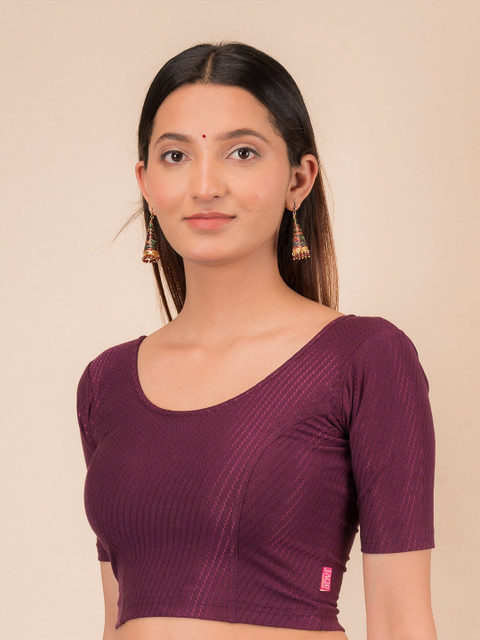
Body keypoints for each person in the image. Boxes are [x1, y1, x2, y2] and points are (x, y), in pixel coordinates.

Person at [76, 42, 437, 640]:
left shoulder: (364, 358)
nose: (205, 185)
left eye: (241, 152)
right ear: (145, 182)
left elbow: (402, 619)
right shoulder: (105, 382)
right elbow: (116, 615)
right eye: (175, 155)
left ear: (299, 178)